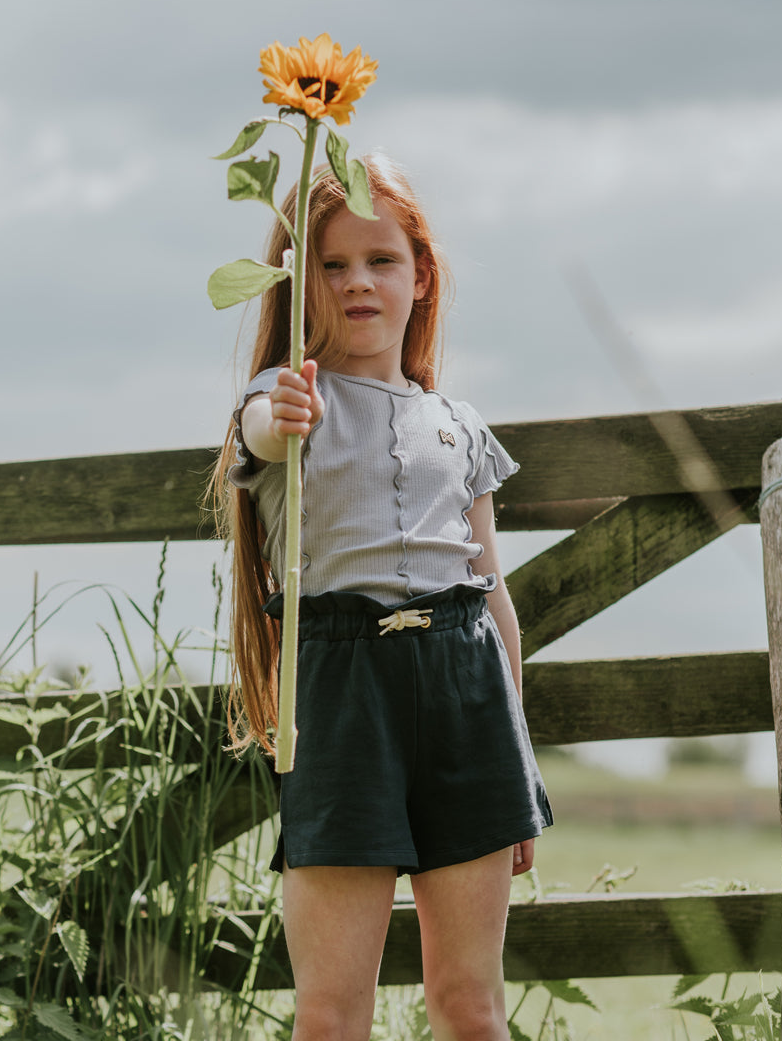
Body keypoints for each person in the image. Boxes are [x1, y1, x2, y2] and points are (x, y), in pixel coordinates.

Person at [211, 154, 552, 1041]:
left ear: (420, 273)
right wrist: (277, 415)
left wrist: (517, 754)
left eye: (380, 260)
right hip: (342, 703)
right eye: (330, 264)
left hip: (467, 699)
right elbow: (258, 436)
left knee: (471, 1002)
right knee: (330, 1011)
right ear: (296, 279)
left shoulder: (460, 425)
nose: (357, 281)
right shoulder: (285, 403)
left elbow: (496, 599)